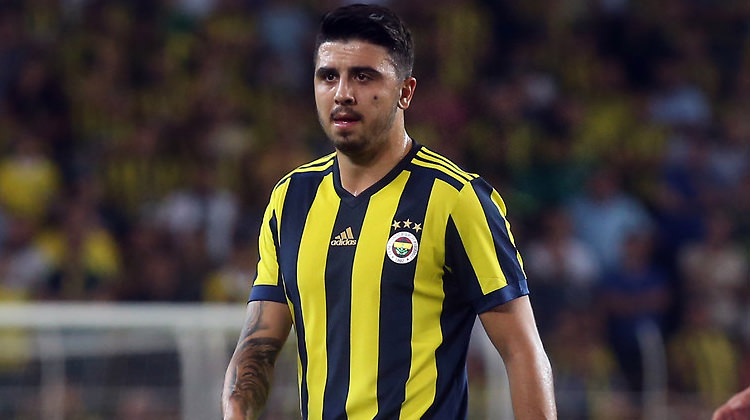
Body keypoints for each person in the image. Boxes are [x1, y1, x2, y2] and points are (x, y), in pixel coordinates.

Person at [222, 4, 556, 420]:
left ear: (405, 92)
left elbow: (522, 349)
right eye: (329, 76)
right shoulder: (290, 199)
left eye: (364, 76)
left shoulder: (454, 199)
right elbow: (257, 348)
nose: (343, 93)